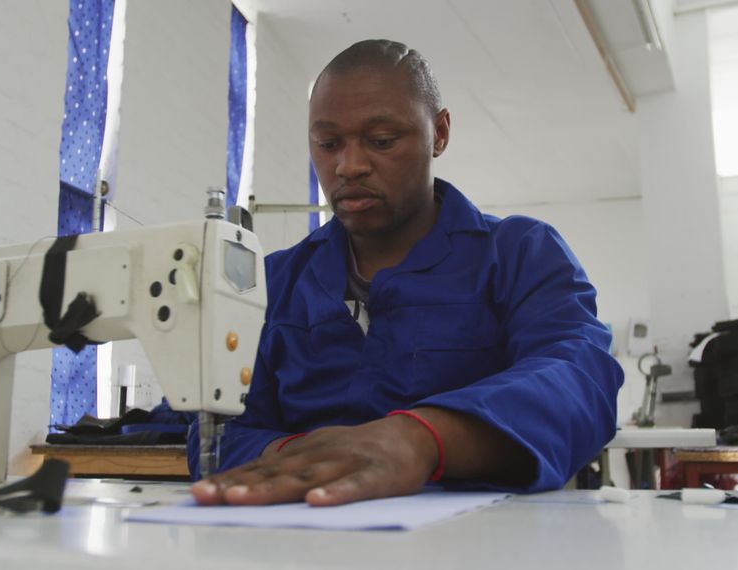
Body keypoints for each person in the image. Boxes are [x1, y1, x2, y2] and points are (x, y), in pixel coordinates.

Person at [189, 39, 622, 507]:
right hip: (306, 536)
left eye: (381, 141)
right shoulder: (271, 283)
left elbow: (580, 377)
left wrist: (423, 439)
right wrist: (310, 459)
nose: (349, 165)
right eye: (328, 144)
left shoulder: (521, 254)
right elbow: (216, 430)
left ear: (439, 133)